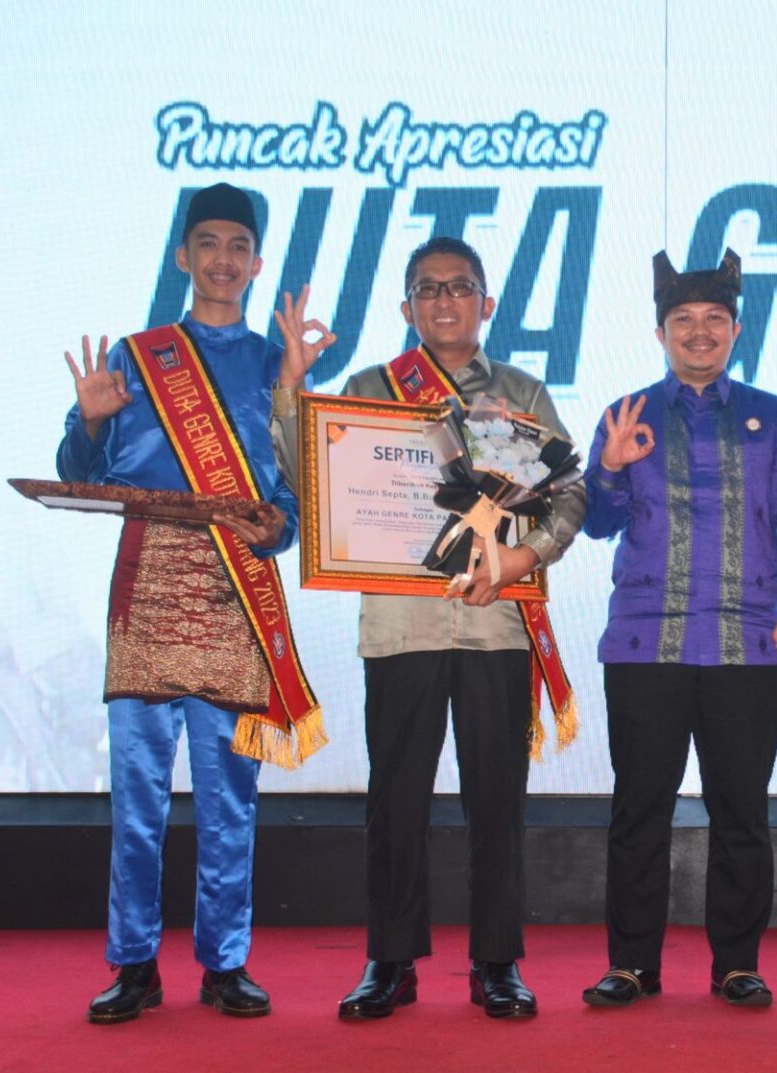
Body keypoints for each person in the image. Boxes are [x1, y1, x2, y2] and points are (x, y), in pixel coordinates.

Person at [271, 235, 584, 1019]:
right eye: (428, 288)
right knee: (397, 798)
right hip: (402, 625)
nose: (445, 300)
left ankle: (498, 963)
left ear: (487, 303)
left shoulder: (521, 392)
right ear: (406, 307)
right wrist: (291, 389)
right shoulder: (372, 388)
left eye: (460, 286)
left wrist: (526, 558)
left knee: (497, 799)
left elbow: (571, 493)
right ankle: (390, 961)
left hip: (495, 624)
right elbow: (309, 481)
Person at [59, 182, 324, 1024]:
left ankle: (225, 961)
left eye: (237, 247)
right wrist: (92, 425)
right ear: (182, 255)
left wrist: (273, 529)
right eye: (205, 243)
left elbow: (285, 503)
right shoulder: (138, 358)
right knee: (137, 794)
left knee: (228, 794)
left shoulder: (269, 366)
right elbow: (80, 472)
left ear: (254, 263)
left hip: (233, 591)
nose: (221, 259)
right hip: (148, 583)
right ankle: (133, 961)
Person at [578, 249, 777, 1009]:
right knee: (639, 807)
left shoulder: (773, 416)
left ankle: (736, 963)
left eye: (714, 319)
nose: (698, 332)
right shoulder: (627, 415)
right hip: (644, 642)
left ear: (736, 329)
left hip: (749, 645)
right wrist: (610, 471)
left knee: (742, 810)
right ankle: (631, 963)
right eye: (683, 320)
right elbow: (596, 523)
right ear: (661, 331)